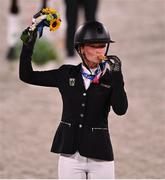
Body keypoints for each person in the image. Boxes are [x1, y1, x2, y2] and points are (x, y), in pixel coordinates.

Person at [19, 19, 128, 178]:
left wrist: (117, 77)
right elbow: (27, 75)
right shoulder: (66, 74)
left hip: (100, 155)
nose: (100, 51)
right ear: (81, 49)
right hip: (70, 156)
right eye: (94, 46)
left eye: (102, 46)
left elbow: (121, 110)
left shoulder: (111, 78)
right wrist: (27, 45)